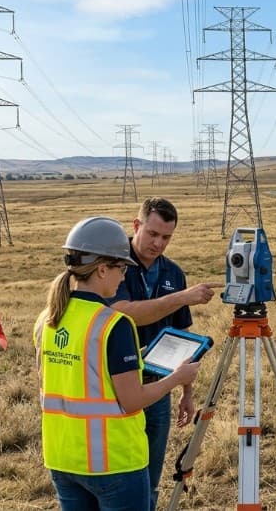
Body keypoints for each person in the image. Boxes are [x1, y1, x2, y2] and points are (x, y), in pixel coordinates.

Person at [33, 216, 201, 510]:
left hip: (62, 458)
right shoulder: (114, 324)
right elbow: (133, 400)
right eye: (121, 268)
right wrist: (177, 377)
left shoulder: (48, 318)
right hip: (113, 462)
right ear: (101, 269)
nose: (124, 277)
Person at [109, 198, 220, 511]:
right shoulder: (115, 267)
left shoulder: (173, 272)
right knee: (120, 474)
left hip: (160, 386)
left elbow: (183, 337)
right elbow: (125, 314)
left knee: (150, 475)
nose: (158, 243)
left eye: (166, 237)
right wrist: (182, 297)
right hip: (118, 386)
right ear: (136, 225)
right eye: (152, 234)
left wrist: (186, 391)